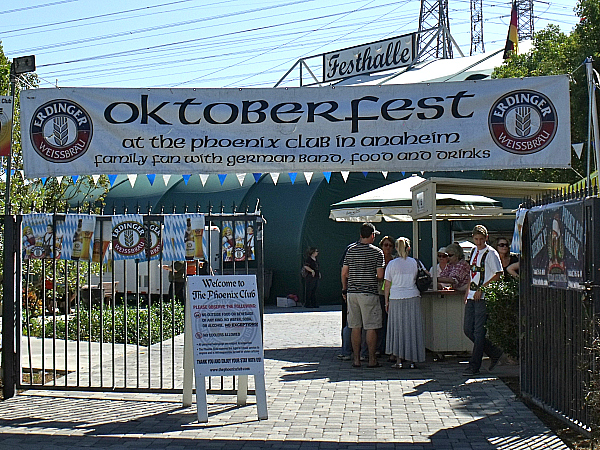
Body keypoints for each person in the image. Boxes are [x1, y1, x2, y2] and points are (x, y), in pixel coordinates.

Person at [341, 222, 384, 368]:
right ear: (372, 235)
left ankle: (356, 359)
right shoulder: (377, 252)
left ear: (360, 234)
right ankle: (372, 359)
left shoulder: (350, 250)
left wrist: (344, 289)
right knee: (371, 326)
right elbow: (380, 275)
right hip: (369, 292)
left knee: (355, 326)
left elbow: (344, 272)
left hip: (352, 293)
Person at [463, 225, 504, 376]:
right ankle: (494, 352)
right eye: (476, 239)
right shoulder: (474, 251)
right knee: (468, 329)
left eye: (481, 239)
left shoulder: (491, 253)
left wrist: (482, 289)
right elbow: (472, 273)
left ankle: (474, 365)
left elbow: (498, 273)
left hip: (482, 297)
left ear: (486, 238)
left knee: (479, 331)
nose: (478, 242)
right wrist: (468, 291)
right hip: (472, 295)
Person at [384, 237, 425, 369]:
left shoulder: (391, 264)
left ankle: (398, 360)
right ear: (409, 248)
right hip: (412, 296)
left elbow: (387, 285)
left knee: (398, 329)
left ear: (396, 248)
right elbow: (426, 274)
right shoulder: (415, 262)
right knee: (412, 328)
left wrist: (386, 302)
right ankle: (413, 359)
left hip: (396, 298)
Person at [377, 235, 395, 357]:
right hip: (380, 293)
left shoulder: (394, 261)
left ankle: (390, 347)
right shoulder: (378, 259)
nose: (387, 247)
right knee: (380, 321)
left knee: (390, 322)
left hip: (393, 294)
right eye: (385, 245)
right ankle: (380, 347)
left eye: (390, 245)